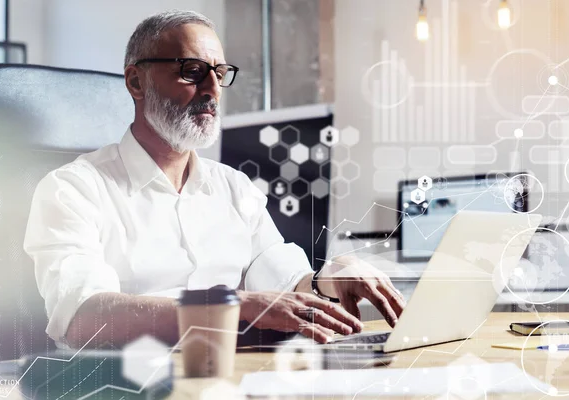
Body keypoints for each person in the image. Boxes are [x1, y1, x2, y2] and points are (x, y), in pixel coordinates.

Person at [24, 10, 405, 349]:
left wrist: (329, 280)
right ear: (136, 83)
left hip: (236, 376)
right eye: (191, 71)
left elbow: (284, 284)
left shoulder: (235, 188)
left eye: (219, 73)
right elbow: (81, 318)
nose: (211, 90)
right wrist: (231, 305)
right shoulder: (73, 189)